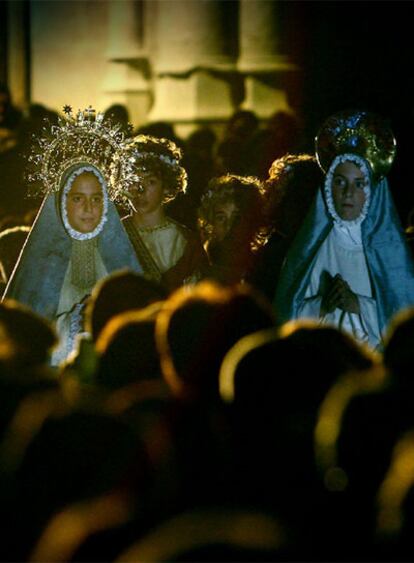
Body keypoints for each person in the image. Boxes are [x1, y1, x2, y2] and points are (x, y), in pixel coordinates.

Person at [2, 106, 143, 366]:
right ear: (61, 202)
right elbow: (27, 342)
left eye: (96, 199)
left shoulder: (120, 258)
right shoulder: (41, 262)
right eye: (78, 199)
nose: (89, 208)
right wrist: (76, 323)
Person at [274, 110, 414, 350]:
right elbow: (286, 315)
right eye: (340, 182)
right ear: (329, 187)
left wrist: (357, 304)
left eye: (358, 184)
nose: (348, 193)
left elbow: (405, 322)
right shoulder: (310, 247)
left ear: (370, 191)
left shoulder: (390, 253)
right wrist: (322, 305)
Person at [110, 134, 207, 293]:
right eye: (134, 181)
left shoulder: (186, 242)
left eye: (150, 182)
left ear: (166, 186)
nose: (140, 190)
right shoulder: (112, 235)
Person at [197, 173, 266, 286]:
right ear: (211, 222)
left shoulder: (263, 268)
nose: (229, 225)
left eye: (237, 218)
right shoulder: (199, 264)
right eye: (221, 218)